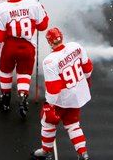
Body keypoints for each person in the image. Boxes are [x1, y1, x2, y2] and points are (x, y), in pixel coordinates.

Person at [31, 28, 92, 160]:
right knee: (73, 125)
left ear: (49, 42)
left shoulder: (50, 61)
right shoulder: (76, 46)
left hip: (61, 100)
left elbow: (53, 88)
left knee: (47, 122)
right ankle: (83, 152)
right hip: (76, 97)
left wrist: (49, 105)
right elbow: (88, 68)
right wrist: (87, 81)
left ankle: (46, 151)